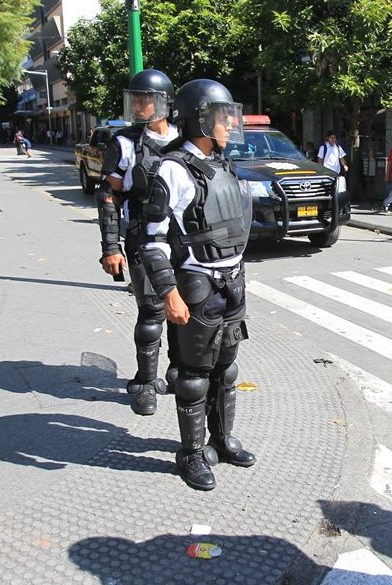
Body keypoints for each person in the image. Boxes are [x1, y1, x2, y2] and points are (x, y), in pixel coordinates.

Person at [140, 78, 256, 491]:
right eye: (223, 117)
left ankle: (221, 440)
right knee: (193, 375)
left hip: (233, 283)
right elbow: (150, 241)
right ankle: (190, 453)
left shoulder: (224, 165)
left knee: (227, 369)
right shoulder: (172, 169)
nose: (230, 124)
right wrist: (169, 292)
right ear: (201, 121)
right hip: (197, 284)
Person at [97, 69, 181, 417]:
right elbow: (108, 195)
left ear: (164, 102)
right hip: (144, 237)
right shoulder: (125, 143)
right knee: (152, 310)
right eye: (137, 99)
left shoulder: (186, 138)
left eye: (147, 99)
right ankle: (146, 382)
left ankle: (178, 371)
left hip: (184, 238)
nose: (141, 105)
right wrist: (111, 247)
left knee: (187, 306)